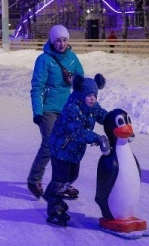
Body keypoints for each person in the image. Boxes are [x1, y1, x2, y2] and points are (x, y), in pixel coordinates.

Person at [44, 73, 110, 227]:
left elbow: (103, 115)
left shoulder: (92, 107)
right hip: (61, 149)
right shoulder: (72, 109)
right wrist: (98, 138)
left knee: (72, 176)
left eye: (94, 95)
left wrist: (115, 120)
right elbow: (77, 132)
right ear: (80, 94)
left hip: (74, 152)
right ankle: (54, 210)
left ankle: (51, 193)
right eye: (89, 95)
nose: (92, 98)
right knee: (61, 180)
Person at [27, 24, 84, 198]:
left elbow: (81, 85)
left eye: (65, 40)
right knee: (50, 145)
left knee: (67, 147)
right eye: (58, 41)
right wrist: (38, 111)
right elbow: (37, 87)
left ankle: (63, 184)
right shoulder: (44, 60)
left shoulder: (73, 58)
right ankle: (34, 179)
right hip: (48, 109)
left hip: (67, 109)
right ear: (52, 41)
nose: (62, 44)